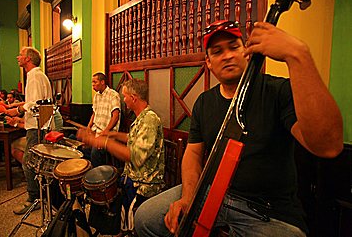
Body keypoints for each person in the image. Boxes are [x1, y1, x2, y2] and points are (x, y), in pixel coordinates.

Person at [134, 20, 343, 237]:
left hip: (268, 211)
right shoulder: (204, 102)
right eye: (217, 52)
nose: (227, 56)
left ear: (247, 52)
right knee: (146, 218)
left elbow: (328, 146)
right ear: (208, 62)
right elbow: (193, 154)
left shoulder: (277, 90)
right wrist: (188, 197)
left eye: (234, 47)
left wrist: (298, 56)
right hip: (211, 193)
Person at [77, 79, 165, 231]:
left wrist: (104, 142)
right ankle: (119, 227)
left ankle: (129, 229)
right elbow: (132, 138)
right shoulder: (142, 117)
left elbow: (135, 156)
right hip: (133, 176)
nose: (123, 100)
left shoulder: (150, 120)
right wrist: (113, 135)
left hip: (144, 183)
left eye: (125, 96)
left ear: (134, 97)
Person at [6, 46, 53, 215]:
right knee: (34, 162)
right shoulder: (38, 75)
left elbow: (34, 104)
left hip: (37, 127)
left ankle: (34, 198)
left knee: (29, 162)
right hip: (40, 125)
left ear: (28, 59)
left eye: (21, 55)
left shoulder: (34, 76)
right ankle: (40, 195)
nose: (18, 57)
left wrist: (17, 111)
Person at [86, 72, 121, 167]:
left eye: (95, 82)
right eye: (92, 82)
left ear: (102, 82)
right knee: (79, 145)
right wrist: (88, 127)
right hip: (95, 131)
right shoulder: (96, 96)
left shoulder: (113, 94)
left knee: (95, 151)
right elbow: (94, 113)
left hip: (108, 134)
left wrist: (106, 131)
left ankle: (98, 176)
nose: (92, 85)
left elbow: (115, 116)